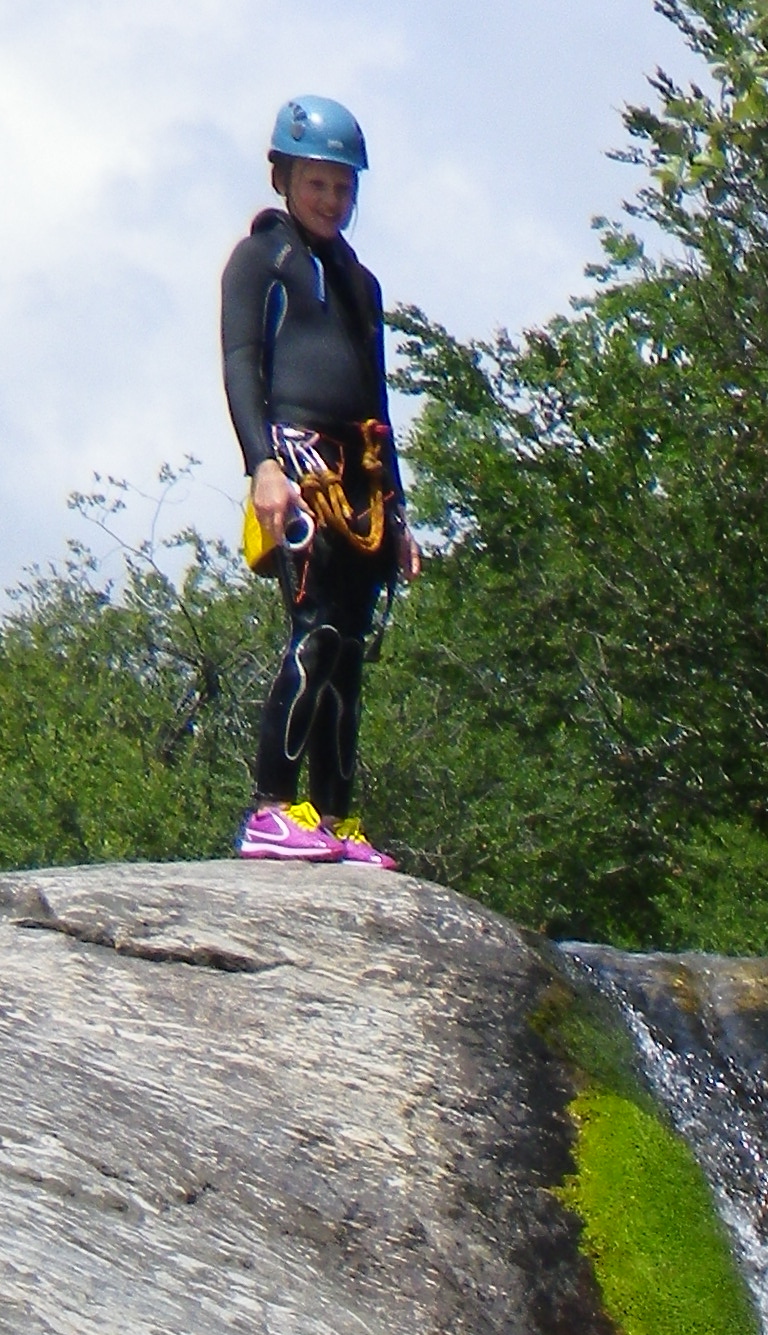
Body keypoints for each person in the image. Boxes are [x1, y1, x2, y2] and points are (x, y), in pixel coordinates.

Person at [222, 95, 417, 866]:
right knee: (317, 630)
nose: (332, 200)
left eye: (342, 187)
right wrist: (262, 466)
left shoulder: (361, 284)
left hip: (359, 473)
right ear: (283, 179)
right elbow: (242, 365)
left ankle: (336, 817)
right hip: (298, 465)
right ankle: (272, 808)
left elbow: (379, 402)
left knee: (350, 650)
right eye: (317, 184)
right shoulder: (260, 262)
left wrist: (398, 512)